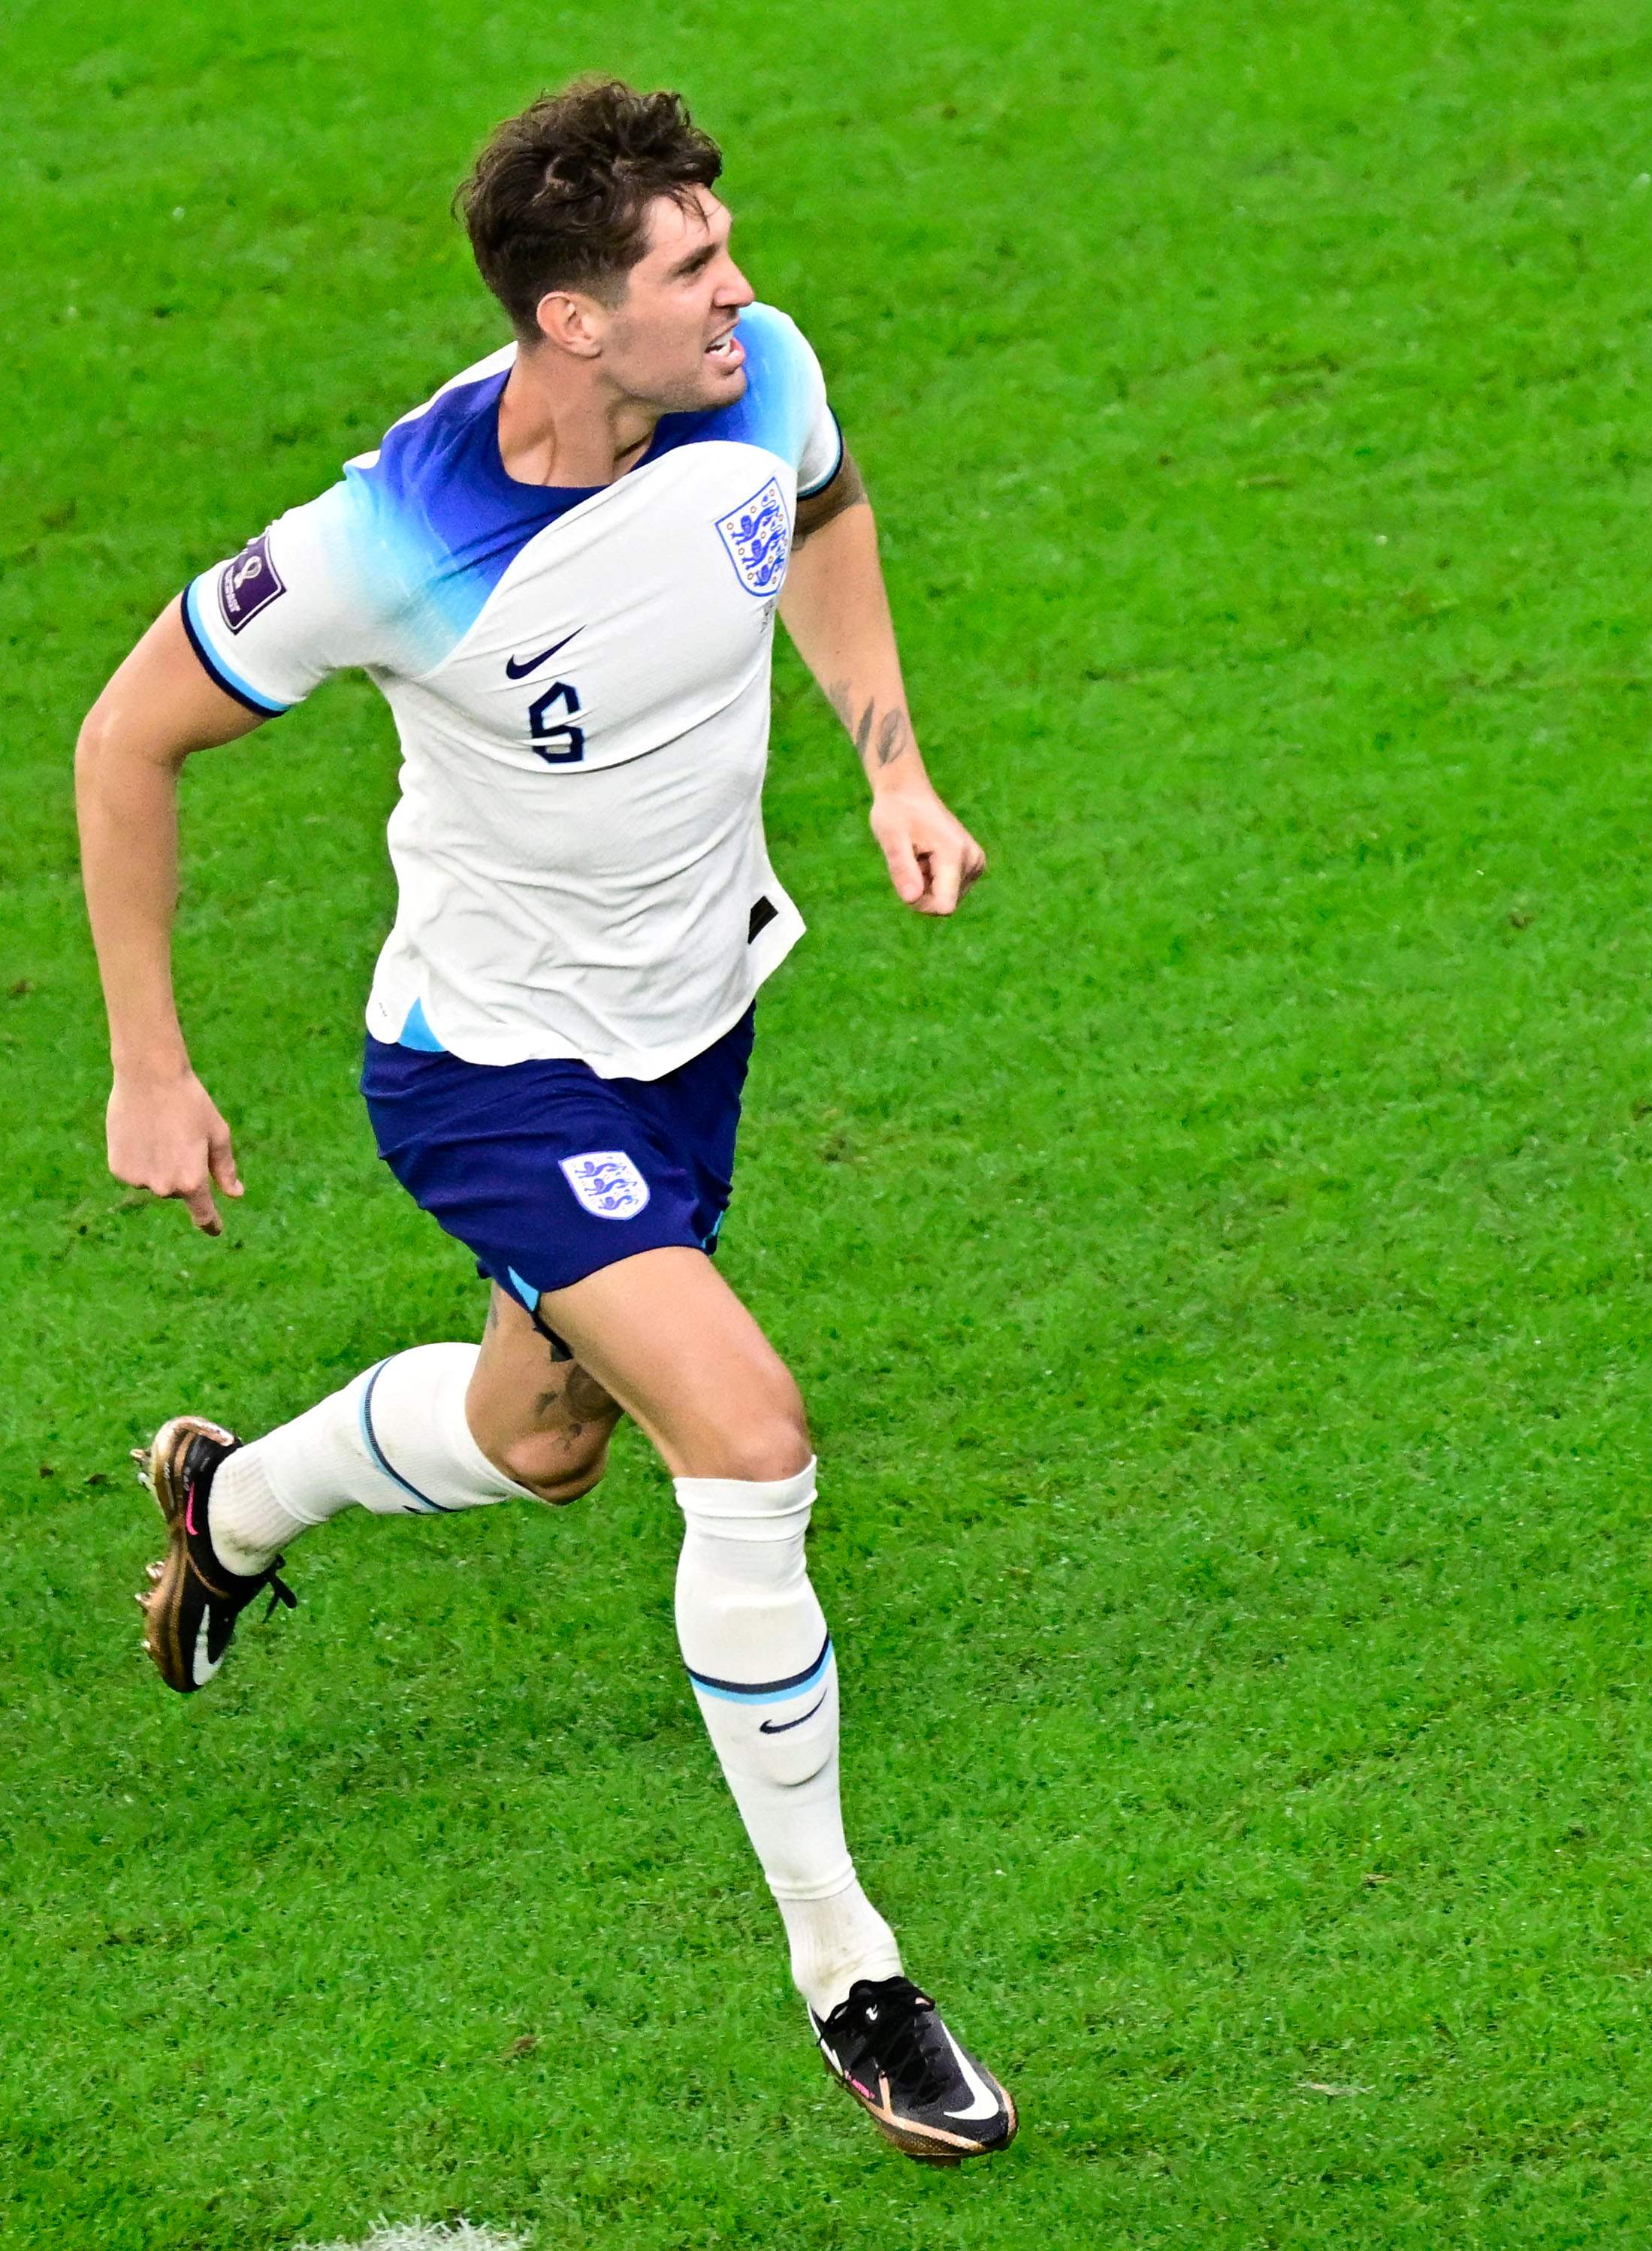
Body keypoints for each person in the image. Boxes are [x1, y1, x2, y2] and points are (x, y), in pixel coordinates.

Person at [77, 78, 1013, 2166]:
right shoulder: (387, 538)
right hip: (493, 1068)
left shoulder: (759, 375)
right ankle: (853, 1973)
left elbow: (828, 512)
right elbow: (125, 734)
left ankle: (234, 1508)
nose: (741, 291)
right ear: (572, 323)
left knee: (545, 1442)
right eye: (692, 267)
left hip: (696, 1026)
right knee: (747, 1435)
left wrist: (889, 762)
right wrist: (152, 1059)